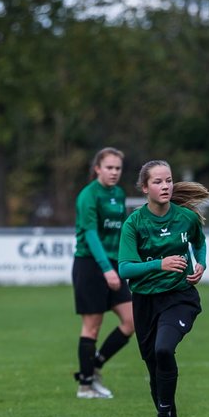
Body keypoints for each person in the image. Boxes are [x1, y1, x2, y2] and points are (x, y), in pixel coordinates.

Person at [117, 161, 208, 417]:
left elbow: (200, 242)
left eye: (168, 180)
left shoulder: (186, 218)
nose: (166, 186)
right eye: (158, 182)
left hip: (179, 297)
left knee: (163, 349)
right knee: (154, 365)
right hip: (145, 301)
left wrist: (200, 263)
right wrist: (161, 263)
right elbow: (125, 269)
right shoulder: (135, 223)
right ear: (145, 188)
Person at [72, 147, 135, 398]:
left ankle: (94, 365)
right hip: (90, 265)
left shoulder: (119, 194)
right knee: (92, 327)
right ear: (97, 168)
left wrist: (123, 263)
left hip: (113, 264)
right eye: (109, 167)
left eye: (118, 168)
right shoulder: (88, 195)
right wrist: (107, 269)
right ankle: (85, 385)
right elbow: (91, 233)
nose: (114, 172)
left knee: (132, 321)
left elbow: (119, 233)